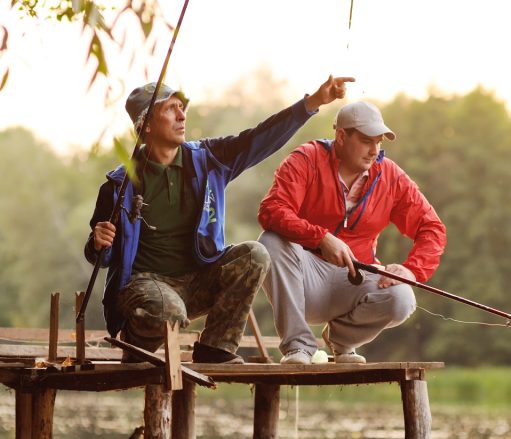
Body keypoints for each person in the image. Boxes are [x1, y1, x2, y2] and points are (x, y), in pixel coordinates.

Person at [84, 75, 354, 364]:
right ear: (146, 124)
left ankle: (215, 349)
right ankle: (136, 344)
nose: (182, 115)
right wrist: (98, 242)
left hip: (198, 279)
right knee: (168, 310)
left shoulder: (208, 158)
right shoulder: (118, 185)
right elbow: (100, 254)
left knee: (255, 254)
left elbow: (258, 139)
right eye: (170, 109)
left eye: (182, 107)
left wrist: (312, 103)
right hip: (144, 285)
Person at [257, 101, 447, 364]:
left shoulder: (390, 176)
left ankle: (341, 341)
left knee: (402, 297)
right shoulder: (307, 158)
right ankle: (298, 347)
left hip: (354, 282)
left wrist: (412, 271)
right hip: (304, 279)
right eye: (367, 141)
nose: (374, 151)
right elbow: (271, 210)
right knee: (269, 242)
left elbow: (432, 228)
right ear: (341, 136)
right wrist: (320, 238)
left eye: (379, 142)